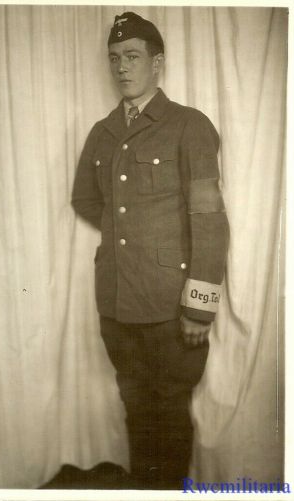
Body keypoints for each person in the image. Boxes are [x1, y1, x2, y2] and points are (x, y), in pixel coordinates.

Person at [71, 11, 229, 490]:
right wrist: (133, 232)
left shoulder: (188, 125)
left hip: (170, 304)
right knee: (136, 408)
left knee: (170, 411)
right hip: (116, 301)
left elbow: (209, 219)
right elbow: (83, 198)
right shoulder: (102, 132)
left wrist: (199, 307)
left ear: (157, 64)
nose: (122, 67)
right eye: (114, 58)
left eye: (133, 56)